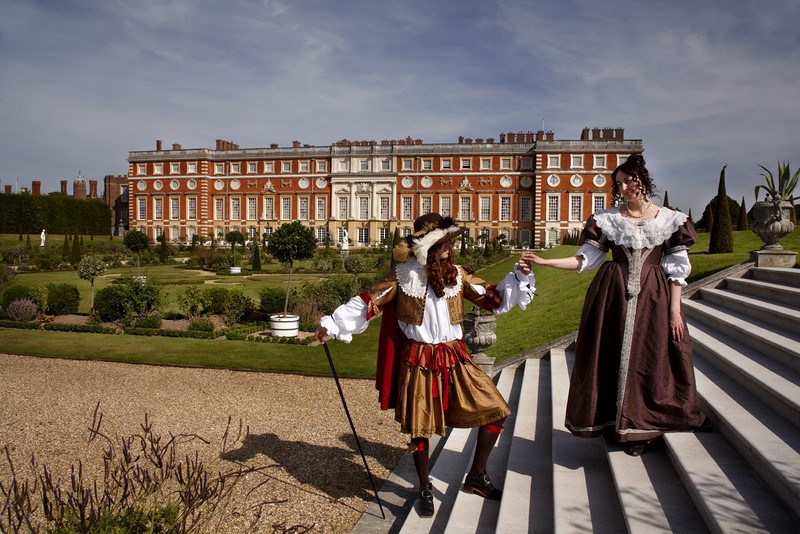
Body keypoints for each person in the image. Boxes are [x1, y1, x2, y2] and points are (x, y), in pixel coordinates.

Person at [315, 213, 535, 518]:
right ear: (426, 248)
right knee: (420, 428)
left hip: (455, 355)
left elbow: (493, 297)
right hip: (419, 359)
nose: (448, 247)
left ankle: (476, 475)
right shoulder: (403, 278)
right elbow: (369, 301)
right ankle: (423, 487)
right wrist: (333, 325)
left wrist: (520, 276)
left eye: (448, 242)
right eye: (441, 243)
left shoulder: (457, 275)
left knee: (496, 410)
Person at [522, 155, 705, 456]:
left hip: (654, 297)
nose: (625, 187)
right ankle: (614, 422)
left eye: (629, 180)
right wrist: (545, 261)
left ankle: (641, 427)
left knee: (649, 357)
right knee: (610, 355)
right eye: (619, 183)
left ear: (642, 179)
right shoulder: (607, 220)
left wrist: (675, 310)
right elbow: (584, 260)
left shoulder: (670, 220)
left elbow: (676, 268)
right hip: (612, 295)